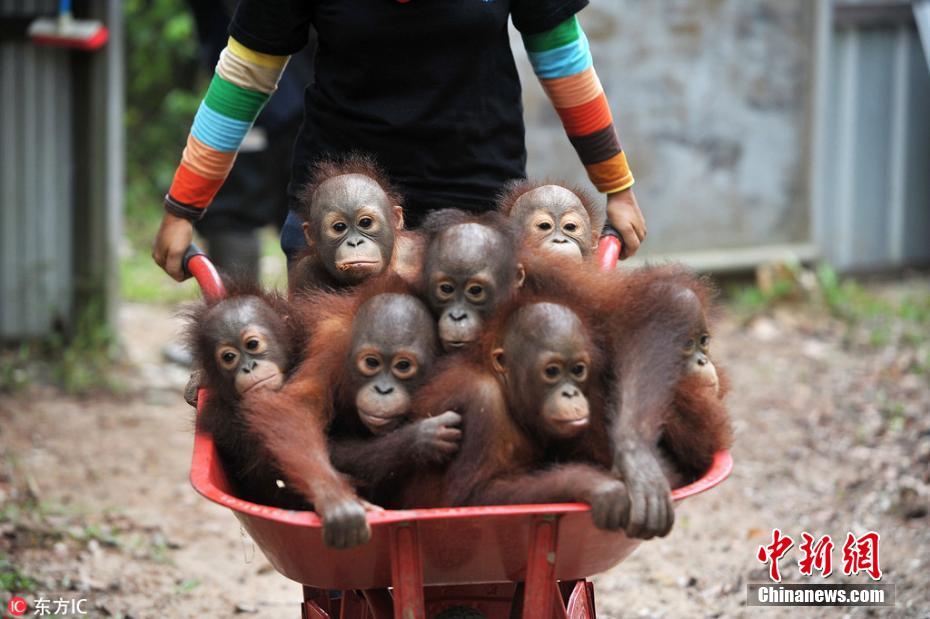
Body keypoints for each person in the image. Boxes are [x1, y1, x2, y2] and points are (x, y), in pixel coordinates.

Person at [153, 0, 647, 281]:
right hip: (342, 206)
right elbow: (244, 77)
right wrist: (183, 209)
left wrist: (616, 186)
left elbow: (562, 57)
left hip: (477, 198)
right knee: (337, 385)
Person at [183, 0, 315, 280]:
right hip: (246, 100)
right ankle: (238, 316)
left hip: (288, 99)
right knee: (234, 218)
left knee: (312, 221)